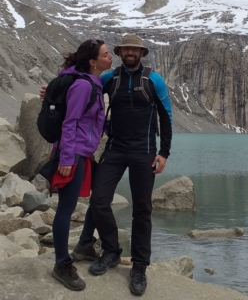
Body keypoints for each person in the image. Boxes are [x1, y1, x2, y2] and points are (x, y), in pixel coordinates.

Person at [71, 33, 172, 296]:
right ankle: (112, 251)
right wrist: (53, 90)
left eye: (134, 49)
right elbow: (81, 85)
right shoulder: (109, 79)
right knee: (99, 201)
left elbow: (166, 115)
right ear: (120, 52)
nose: (130, 52)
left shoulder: (153, 80)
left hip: (145, 152)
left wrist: (164, 153)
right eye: (126, 48)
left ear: (141, 53)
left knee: (142, 209)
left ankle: (139, 267)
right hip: (115, 149)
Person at [48, 39, 113, 291]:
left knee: (100, 198)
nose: (110, 57)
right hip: (72, 154)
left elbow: (91, 119)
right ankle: (62, 264)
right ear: (93, 62)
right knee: (66, 207)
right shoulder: (83, 86)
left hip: (83, 153)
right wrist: (66, 158)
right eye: (106, 55)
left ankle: (85, 244)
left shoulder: (93, 82)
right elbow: (70, 121)